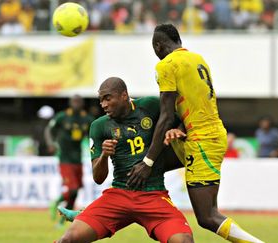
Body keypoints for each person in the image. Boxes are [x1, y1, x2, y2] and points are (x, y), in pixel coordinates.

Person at [127, 23, 263, 242]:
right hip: (201, 135)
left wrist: (149, 160)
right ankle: (111, 214)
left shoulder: (166, 65)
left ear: (158, 46)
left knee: (207, 216)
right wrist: (178, 130)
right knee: (143, 168)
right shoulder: (198, 59)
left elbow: (166, 116)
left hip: (202, 141)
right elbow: (196, 103)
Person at [57, 77, 193, 243]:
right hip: (119, 195)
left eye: (108, 98)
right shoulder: (99, 126)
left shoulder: (150, 105)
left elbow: (183, 121)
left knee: (184, 240)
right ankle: (87, 213)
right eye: (100, 100)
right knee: (69, 239)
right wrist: (104, 155)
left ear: (124, 95)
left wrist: (176, 130)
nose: (104, 104)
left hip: (153, 194)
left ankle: (84, 213)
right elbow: (98, 178)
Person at [46, 95, 94, 226]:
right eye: (74, 101)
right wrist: (51, 143)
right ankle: (57, 203)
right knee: (72, 189)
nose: (76, 104)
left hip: (77, 158)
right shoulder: (62, 116)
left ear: (83, 103)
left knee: (77, 190)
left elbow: (95, 133)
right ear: (70, 103)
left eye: (79, 101)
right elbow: (49, 129)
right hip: (65, 159)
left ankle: (62, 219)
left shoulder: (87, 119)